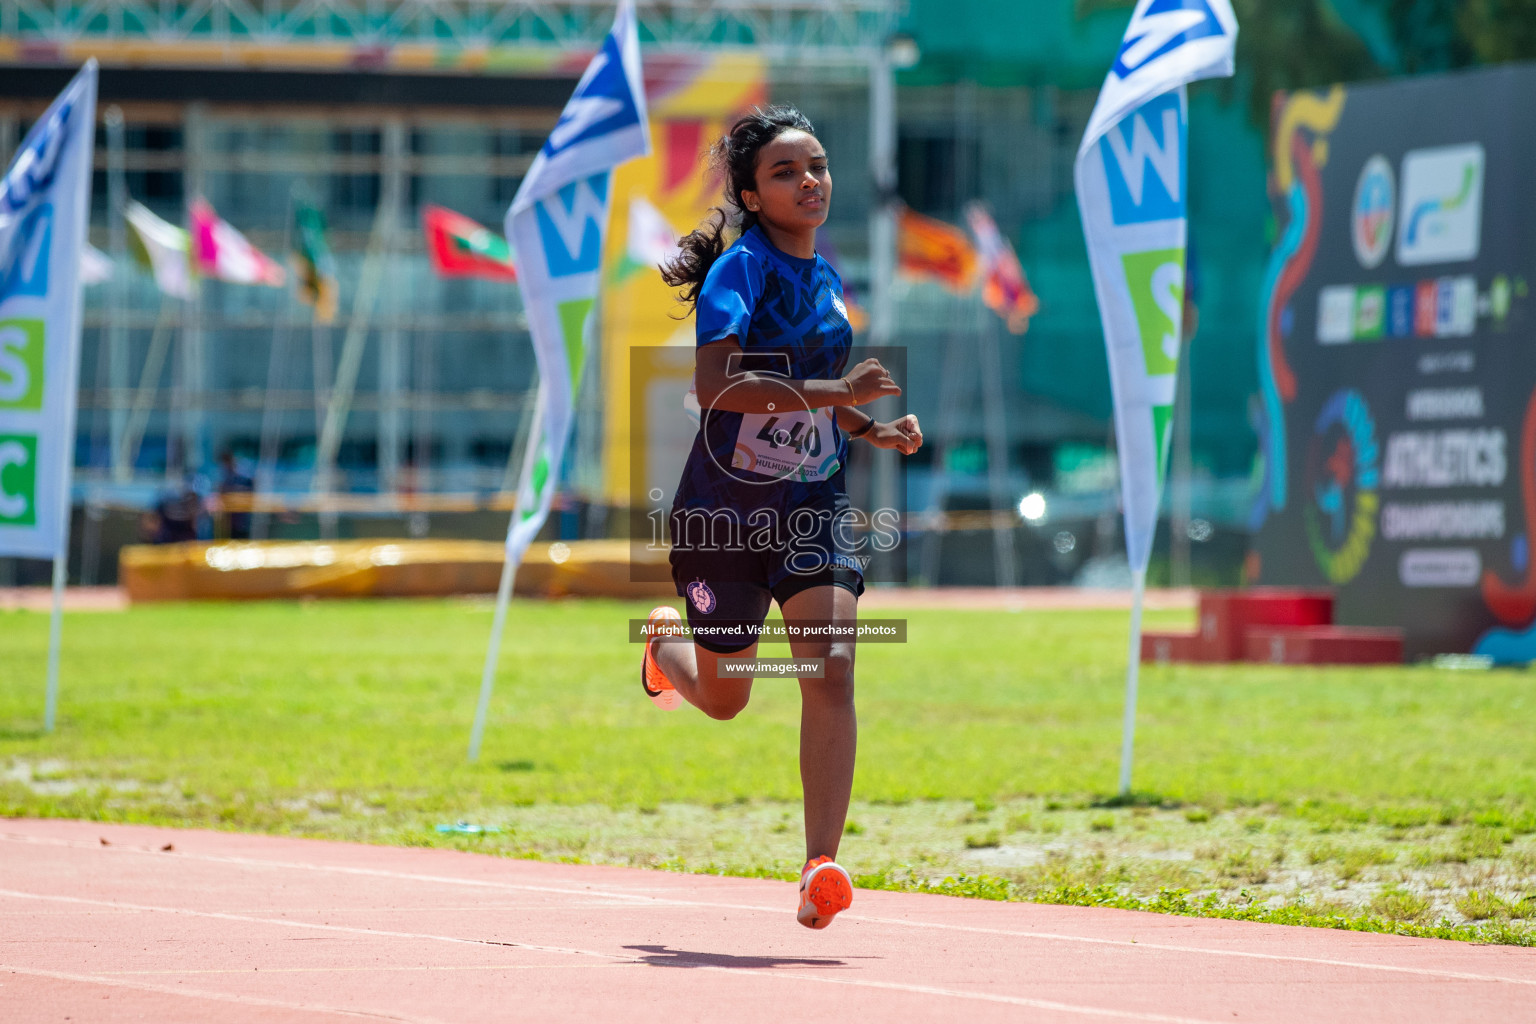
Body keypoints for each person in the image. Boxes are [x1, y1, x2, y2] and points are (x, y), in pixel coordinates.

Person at [644, 106, 922, 930]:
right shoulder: (741, 272)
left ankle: (819, 868)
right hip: (722, 517)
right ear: (753, 196)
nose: (810, 181)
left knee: (830, 667)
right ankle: (665, 650)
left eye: (819, 166)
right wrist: (841, 393)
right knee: (728, 699)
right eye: (786, 172)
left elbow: (814, 404)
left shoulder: (830, 282)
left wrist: (871, 428)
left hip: (811, 508)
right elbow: (722, 387)